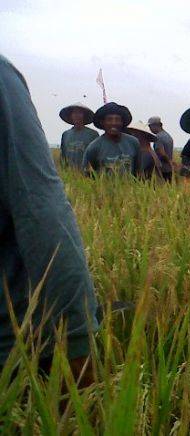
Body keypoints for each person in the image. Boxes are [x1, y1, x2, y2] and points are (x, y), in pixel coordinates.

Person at [0, 55, 98, 380]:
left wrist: (74, 332)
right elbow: (42, 207)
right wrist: (78, 336)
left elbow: (40, 207)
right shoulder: (68, 138)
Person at [82, 102, 139, 176]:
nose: (114, 123)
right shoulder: (94, 147)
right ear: (102, 122)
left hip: (130, 187)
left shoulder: (133, 143)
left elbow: (139, 171)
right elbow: (86, 174)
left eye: (117, 119)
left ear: (122, 122)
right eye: (109, 119)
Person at [58, 103, 99, 169]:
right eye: (74, 113)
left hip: (87, 174)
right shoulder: (65, 134)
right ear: (71, 116)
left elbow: (97, 156)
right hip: (70, 173)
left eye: (79, 113)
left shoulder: (93, 134)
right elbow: (63, 157)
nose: (76, 115)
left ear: (84, 115)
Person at [147, 116, 175, 181]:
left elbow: (161, 153)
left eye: (150, 126)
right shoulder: (168, 135)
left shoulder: (158, 137)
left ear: (156, 125)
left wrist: (169, 162)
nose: (149, 129)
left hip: (162, 169)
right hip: (169, 169)